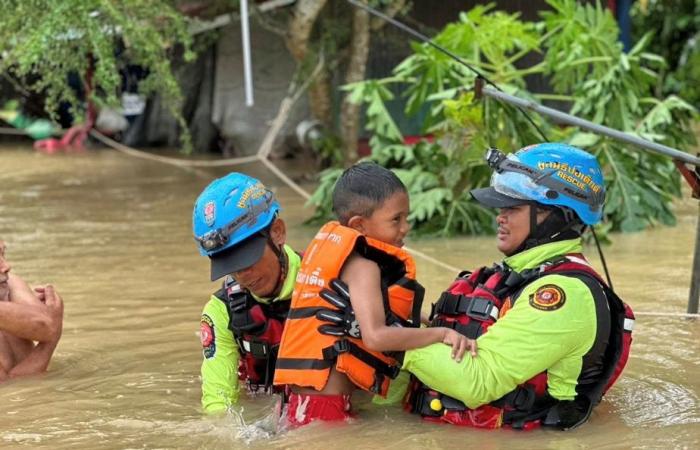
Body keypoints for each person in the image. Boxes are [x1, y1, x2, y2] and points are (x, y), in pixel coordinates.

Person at [399, 143, 635, 430]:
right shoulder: (521, 274)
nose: (500, 216)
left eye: (513, 207)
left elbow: (477, 381)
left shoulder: (565, 295)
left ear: (553, 214)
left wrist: (384, 337)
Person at [273, 162, 475, 426]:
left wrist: (425, 319)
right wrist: (443, 333)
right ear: (359, 225)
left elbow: (361, 313)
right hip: (325, 407)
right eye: (395, 219)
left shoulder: (339, 260)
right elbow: (376, 337)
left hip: (297, 401)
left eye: (406, 218)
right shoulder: (364, 268)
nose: (405, 228)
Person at [192, 173, 302, 413]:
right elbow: (218, 402)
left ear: (278, 233)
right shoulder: (222, 311)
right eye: (231, 266)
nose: (242, 275)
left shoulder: (327, 284)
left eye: (247, 259)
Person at [0, 240, 63, 382]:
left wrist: (53, 325)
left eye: (2, 254)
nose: (6, 267)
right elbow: (15, 385)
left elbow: (46, 326)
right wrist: (51, 342)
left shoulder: (10, 283)